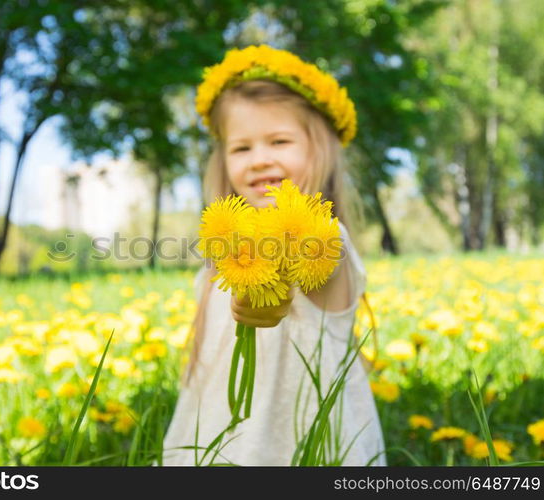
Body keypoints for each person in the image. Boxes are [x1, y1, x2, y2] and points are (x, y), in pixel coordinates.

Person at [161, 45, 386, 466]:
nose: (260, 159)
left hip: (301, 447)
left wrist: (271, 298)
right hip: (220, 438)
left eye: (279, 141)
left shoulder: (324, 236)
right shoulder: (222, 253)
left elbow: (316, 250)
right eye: (241, 148)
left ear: (320, 150)